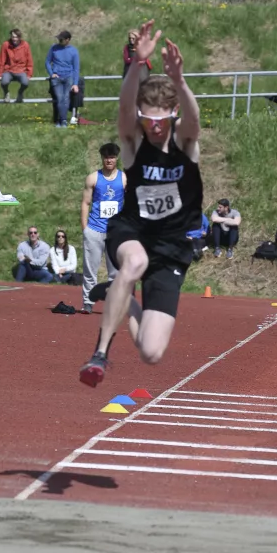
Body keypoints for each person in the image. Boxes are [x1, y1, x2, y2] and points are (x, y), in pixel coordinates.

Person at [79, 20, 203, 387]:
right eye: (147, 119)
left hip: (172, 246)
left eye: (160, 119)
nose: (154, 127)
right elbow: (123, 107)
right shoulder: (134, 144)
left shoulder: (185, 143)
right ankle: (100, 353)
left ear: (171, 114)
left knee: (151, 352)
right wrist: (136, 63)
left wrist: (179, 80)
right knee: (134, 261)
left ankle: (118, 294)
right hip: (133, 229)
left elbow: (194, 120)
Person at [81, 142, 126, 314]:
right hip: (95, 228)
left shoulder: (123, 179)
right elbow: (85, 203)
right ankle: (87, 302)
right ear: (102, 158)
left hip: (115, 232)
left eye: (112, 157)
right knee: (90, 269)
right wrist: (85, 228)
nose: (109, 160)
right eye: (106, 157)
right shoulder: (93, 178)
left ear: (116, 158)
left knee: (115, 271)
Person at [45, 30, 80, 128]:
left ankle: (63, 120)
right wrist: (51, 73)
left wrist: (75, 83)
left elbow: (76, 68)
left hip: (68, 77)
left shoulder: (73, 51)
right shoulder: (53, 48)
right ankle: (60, 120)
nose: (59, 40)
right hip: (57, 77)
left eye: (61, 39)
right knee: (60, 98)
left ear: (67, 40)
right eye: (59, 39)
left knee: (66, 98)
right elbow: (47, 62)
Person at [0, 28, 33, 104]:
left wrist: (29, 74)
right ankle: (6, 93)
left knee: (25, 83)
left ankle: (20, 93)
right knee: (4, 82)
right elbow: (1, 59)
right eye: (13, 37)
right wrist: (0, 73)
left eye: (16, 37)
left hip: (21, 70)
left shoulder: (25, 45)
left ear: (20, 37)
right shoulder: (6, 45)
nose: (14, 39)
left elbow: (29, 60)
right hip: (9, 70)